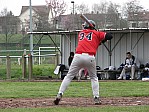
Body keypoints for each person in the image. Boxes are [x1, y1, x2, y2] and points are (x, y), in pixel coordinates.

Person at [53, 20, 113, 105]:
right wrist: (99, 34)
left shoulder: (81, 33)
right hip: (90, 57)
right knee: (93, 77)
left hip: (78, 56)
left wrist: (100, 39)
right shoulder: (96, 33)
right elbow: (110, 36)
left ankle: (59, 94)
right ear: (92, 26)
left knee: (69, 76)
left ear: (85, 26)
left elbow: (94, 43)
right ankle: (96, 97)